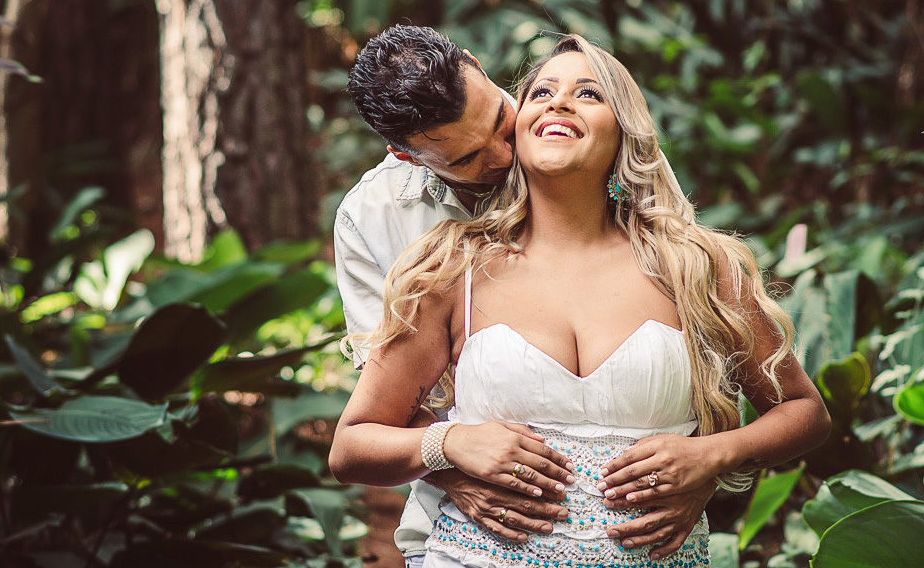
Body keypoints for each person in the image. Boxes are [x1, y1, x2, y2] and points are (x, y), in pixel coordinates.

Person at [330, 34, 831, 567]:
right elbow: (368, 429)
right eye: (470, 157)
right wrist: (448, 448)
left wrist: (711, 459)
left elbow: (785, 403)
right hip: (469, 539)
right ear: (406, 154)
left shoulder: (690, 260)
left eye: (502, 118)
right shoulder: (428, 256)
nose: (503, 154)